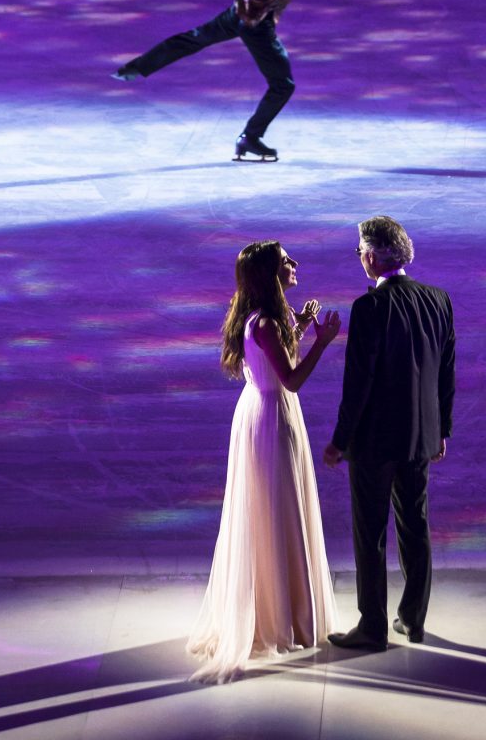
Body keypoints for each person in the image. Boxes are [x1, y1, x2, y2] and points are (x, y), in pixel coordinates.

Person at [112, 0, 391, 161]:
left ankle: (135, 68)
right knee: (283, 86)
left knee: (193, 39)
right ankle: (250, 138)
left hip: (237, 14)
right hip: (258, 26)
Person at [187, 241, 341, 682]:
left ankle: (276, 608)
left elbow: (276, 360)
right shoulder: (269, 323)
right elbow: (291, 379)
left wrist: (302, 325)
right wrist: (322, 343)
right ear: (270, 274)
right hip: (273, 416)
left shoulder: (263, 317)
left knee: (272, 509)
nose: (295, 264)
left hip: (261, 411)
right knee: (276, 508)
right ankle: (279, 617)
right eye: (286, 261)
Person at [324, 216, 455, 651]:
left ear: (372, 255)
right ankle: (413, 619)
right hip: (420, 436)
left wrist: (340, 440)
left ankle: (373, 626)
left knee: (371, 533)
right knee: (415, 525)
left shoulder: (370, 308)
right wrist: (441, 429)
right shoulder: (438, 300)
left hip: (375, 441)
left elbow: (358, 384)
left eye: (360, 250)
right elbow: (445, 373)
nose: (360, 257)